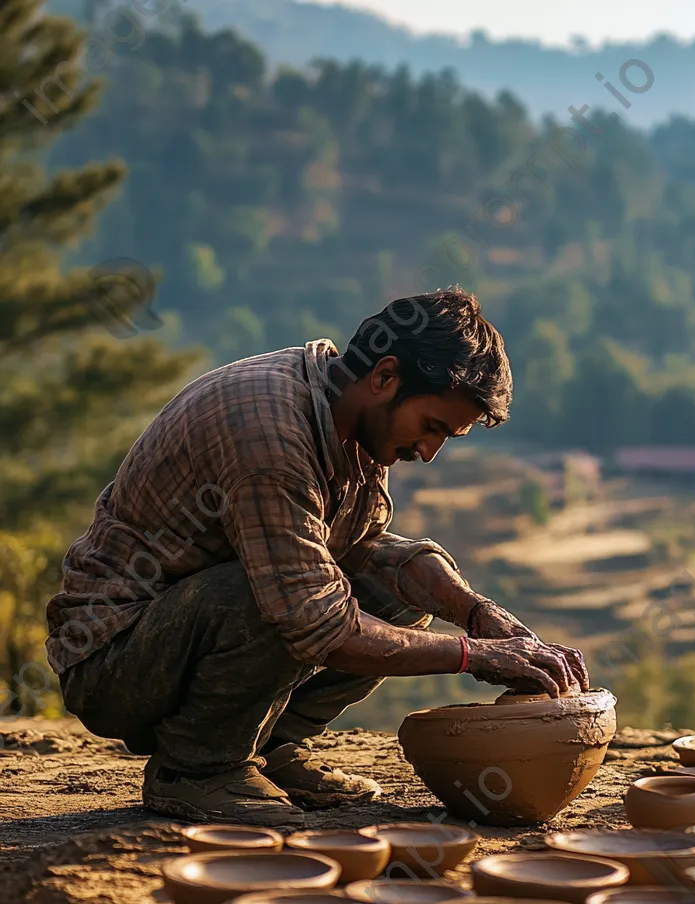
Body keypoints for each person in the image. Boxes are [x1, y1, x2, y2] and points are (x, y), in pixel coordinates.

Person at [45, 289, 588, 827]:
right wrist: (475, 657)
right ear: (385, 377)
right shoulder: (269, 434)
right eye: (432, 427)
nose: (428, 453)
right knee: (275, 599)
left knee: (400, 595)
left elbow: (366, 550)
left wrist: (477, 614)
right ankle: (197, 768)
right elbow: (313, 619)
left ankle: (268, 745)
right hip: (115, 658)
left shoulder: (346, 413)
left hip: (185, 627)